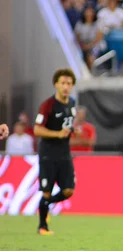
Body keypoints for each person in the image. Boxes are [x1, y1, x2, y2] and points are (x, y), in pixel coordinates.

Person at [33, 68, 77, 236]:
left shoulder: (71, 103)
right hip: (48, 154)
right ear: (56, 85)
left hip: (64, 153)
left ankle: (45, 205)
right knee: (47, 190)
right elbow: (37, 130)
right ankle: (42, 226)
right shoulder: (48, 105)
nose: (66, 87)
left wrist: (73, 130)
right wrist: (58, 134)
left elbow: (67, 125)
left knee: (68, 191)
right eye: (63, 83)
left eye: (69, 84)